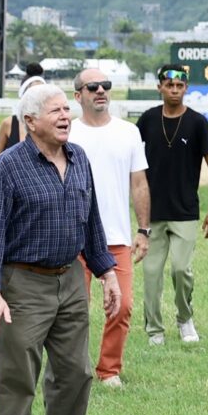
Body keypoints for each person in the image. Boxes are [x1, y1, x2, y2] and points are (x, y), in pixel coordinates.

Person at [0, 84, 122, 415]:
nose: (66, 116)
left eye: (66, 109)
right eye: (55, 111)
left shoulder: (79, 158)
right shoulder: (8, 168)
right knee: (17, 381)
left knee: (76, 374)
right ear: (31, 121)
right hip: (21, 284)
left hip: (70, 280)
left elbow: (91, 222)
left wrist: (106, 272)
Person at [71, 65, 151, 388]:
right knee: (74, 309)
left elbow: (139, 183)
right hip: (75, 238)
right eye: (93, 87)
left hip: (116, 237)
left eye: (105, 84)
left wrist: (143, 230)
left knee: (123, 305)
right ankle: (74, 369)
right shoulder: (68, 133)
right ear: (78, 96)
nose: (101, 90)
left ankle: (109, 370)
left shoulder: (128, 132)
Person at [135, 64, 208, 346]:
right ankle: (154, 330)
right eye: (169, 85)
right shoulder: (147, 120)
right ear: (159, 87)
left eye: (179, 86)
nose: (174, 90)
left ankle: (185, 318)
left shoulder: (197, 122)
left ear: (186, 88)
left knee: (181, 270)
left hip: (185, 211)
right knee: (151, 273)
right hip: (152, 212)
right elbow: (131, 161)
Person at [0, 63, 48, 160]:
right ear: (23, 96)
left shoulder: (51, 125)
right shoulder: (8, 124)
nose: (38, 97)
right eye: (33, 93)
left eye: (42, 93)